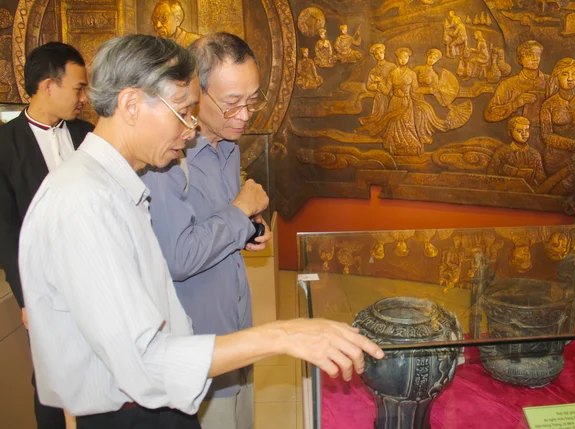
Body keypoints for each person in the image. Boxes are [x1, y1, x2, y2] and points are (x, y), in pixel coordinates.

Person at [19, 34, 383, 429]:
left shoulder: (114, 186)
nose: (190, 131)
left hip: (160, 403)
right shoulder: (83, 202)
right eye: (182, 112)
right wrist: (283, 335)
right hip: (132, 413)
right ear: (130, 104)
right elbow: (146, 361)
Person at [141, 32, 268, 429]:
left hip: (234, 324)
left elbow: (216, 224)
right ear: (196, 91)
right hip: (195, 344)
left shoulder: (228, 147)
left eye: (252, 100)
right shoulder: (167, 157)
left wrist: (247, 228)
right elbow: (177, 257)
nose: (245, 115)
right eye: (233, 103)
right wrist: (238, 211)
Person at [0, 42, 93, 429]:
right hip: (47, 288)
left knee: (100, 374)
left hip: (94, 278)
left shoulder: (88, 134)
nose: (83, 98)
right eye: (77, 88)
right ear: (47, 85)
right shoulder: (5, 145)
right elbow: (6, 229)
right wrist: (26, 298)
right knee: (52, 383)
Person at [486, 116, 546, 187]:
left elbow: (541, 180)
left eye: (526, 130)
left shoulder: (535, 154)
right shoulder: (502, 152)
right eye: (519, 131)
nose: (524, 134)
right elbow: (490, 176)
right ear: (509, 132)